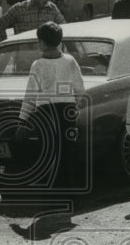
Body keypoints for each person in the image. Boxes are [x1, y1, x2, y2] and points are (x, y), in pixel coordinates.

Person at [16, 21, 84, 191]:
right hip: (67, 111)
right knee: (67, 151)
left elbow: (30, 95)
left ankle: (52, 192)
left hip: (46, 113)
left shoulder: (38, 65)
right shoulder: (70, 60)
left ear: (42, 43)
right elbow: (80, 89)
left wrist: (22, 121)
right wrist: (77, 108)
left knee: (48, 152)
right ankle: (68, 192)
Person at [0, 0, 64, 41]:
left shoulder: (52, 9)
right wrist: (6, 46)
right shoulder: (19, 9)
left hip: (46, 53)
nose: (48, 0)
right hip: (25, 52)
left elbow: (64, 27)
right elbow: (0, 25)